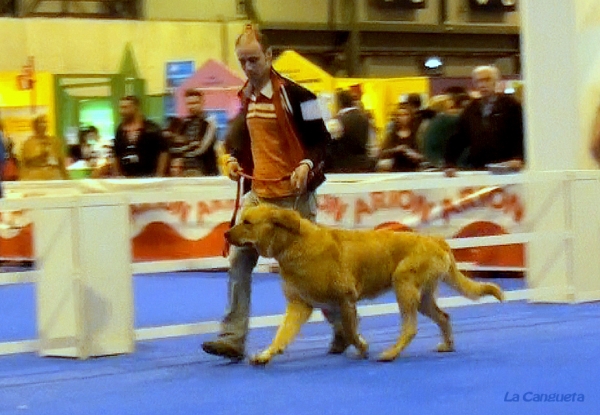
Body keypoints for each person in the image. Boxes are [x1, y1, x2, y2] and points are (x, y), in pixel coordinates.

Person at [201, 24, 342, 361]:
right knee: (239, 262)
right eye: (242, 61)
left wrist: (307, 164)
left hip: (295, 202)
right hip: (258, 198)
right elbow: (236, 139)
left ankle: (343, 327)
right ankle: (233, 338)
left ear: (269, 55)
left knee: (311, 276)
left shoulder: (303, 96)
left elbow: (324, 140)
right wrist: (231, 160)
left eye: (253, 60)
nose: (248, 68)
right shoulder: (245, 98)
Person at [444, 66, 524, 171]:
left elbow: (520, 134)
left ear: (496, 81)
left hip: (507, 166)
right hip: (478, 166)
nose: (482, 85)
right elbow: (459, 138)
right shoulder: (471, 108)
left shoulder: (511, 105)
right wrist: (450, 164)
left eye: (487, 80)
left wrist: (519, 158)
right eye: (478, 81)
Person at [113, 96, 168, 177]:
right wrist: (118, 175)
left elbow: (163, 152)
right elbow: (116, 154)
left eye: (125, 108)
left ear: (135, 108)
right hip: (127, 178)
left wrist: (159, 174)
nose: (122, 111)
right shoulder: (120, 130)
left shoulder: (152, 128)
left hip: (149, 176)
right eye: (120, 108)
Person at [168, 89, 220, 177]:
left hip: (205, 172)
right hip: (185, 172)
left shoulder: (209, 121)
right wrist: (190, 145)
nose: (191, 107)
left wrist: (185, 145)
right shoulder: (184, 123)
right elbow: (174, 148)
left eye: (195, 103)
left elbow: (201, 149)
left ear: (202, 103)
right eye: (189, 104)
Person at [325, 89, 375, 173]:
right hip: (364, 166)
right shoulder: (364, 118)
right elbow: (372, 145)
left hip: (342, 168)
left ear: (339, 103)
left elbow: (324, 137)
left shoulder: (338, 121)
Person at [20, 115, 69, 181]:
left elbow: (60, 161)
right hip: (35, 176)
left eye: (44, 123)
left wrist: (66, 177)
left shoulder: (54, 141)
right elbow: (24, 164)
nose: (43, 125)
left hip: (53, 175)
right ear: (34, 127)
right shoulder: (28, 144)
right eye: (40, 123)